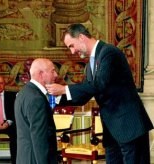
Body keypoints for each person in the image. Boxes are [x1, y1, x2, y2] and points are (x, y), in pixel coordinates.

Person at [46, 23, 154, 164]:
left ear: (81, 37)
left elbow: (99, 85)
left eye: (71, 46)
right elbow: (84, 95)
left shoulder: (109, 53)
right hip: (112, 131)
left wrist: (64, 89)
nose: (72, 52)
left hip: (129, 127)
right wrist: (58, 98)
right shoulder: (90, 66)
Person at [14, 58, 58, 164]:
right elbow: (39, 138)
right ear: (41, 74)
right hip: (35, 159)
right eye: (52, 71)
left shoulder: (24, 93)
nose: (56, 75)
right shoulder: (36, 98)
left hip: (25, 157)